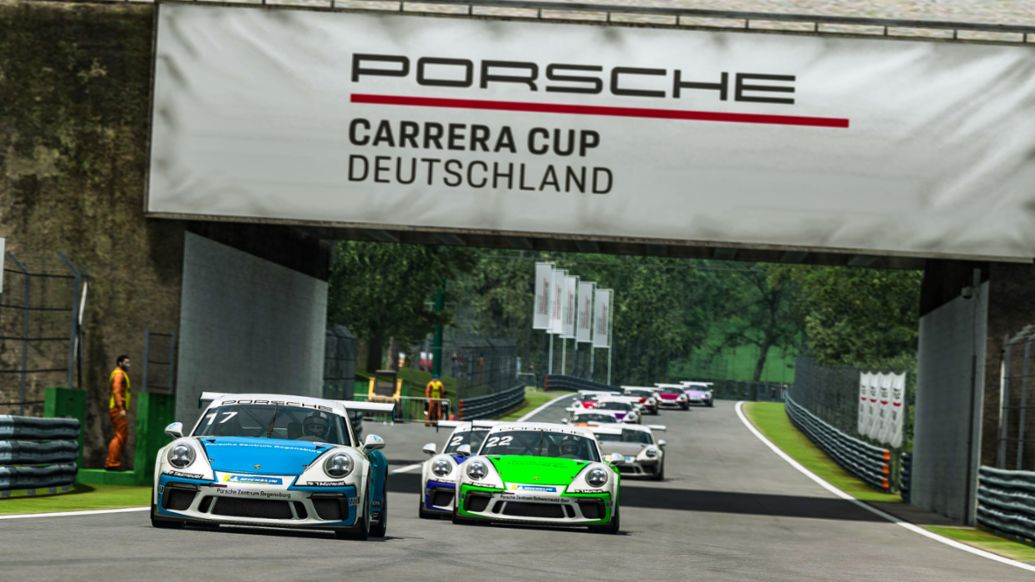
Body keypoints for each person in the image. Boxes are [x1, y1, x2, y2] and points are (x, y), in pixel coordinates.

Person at [104, 354, 132, 470]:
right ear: (120, 363)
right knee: (120, 436)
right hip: (117, 409)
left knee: (121, 435)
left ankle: (112, 461)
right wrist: (121, 408)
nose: (128, 365)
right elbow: (116, 391)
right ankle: (112, 463)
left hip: (118, 408)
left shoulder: (119, 374)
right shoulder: (119, 374)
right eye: (126, 362)